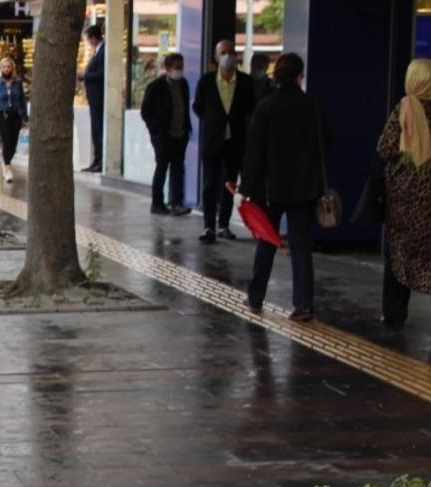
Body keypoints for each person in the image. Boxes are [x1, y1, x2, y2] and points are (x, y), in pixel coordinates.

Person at [239, 52, 331, 322]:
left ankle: (256, 296)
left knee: (267, 240)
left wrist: (246, 186)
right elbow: (328, 142)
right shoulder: (313, 106)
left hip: (271, 188)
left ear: (277, 76)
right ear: (300, 75)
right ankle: (303, 304)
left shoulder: (266, 107)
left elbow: (254, 152)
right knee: (301, 245)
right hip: (304, 187)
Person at [376, 59, 431, 334]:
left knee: (400, 256)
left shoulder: (405, 108)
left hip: (406, 201)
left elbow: (384, 149)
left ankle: (394, 314)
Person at [194, 39, 256, 243]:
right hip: (212, 140)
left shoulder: (246, 82)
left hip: (235, 141)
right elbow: (198, 107)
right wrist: (214, 121)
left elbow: (250, 108)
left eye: (231, 52)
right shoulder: (206, 81)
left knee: (229, 185)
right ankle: (208, 226)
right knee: (209, 184)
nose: (228, 55)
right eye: (223, 52)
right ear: (215, 56)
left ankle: (224, 225)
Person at [140, 53, 192, 216]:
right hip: (163, 135)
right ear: (167, 68)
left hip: (180, 133)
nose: (180, 70)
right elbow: (145, 112)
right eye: (177, 67)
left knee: (178, 169)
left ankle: (176, 203)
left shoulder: (183, 84)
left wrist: (186, 128)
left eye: (181, 67)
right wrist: (156, 130)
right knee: (162, 167)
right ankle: (157, 203)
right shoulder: (155, 86)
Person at [0, 56, 27, 183]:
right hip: (2, 115)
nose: (6, 69)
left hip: (15, 116)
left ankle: (5, 162)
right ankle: (7, 168)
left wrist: (25, 117)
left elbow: (22, 100)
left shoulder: (18, 82)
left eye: (8, 66)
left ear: (12, 68)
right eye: (4, 67)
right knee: (7, 140)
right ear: (1, 68)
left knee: (13, 145)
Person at [78, 25, 105, 173]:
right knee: (95, 130)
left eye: (88, 39)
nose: (88, 43)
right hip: (94, 98)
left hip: (99, 98)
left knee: (99, 129)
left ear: (93, 38)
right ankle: (97, 159)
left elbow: (102, 74)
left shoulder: (103, 52)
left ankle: (101, 160)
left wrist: (84, 75)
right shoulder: (97, 52)